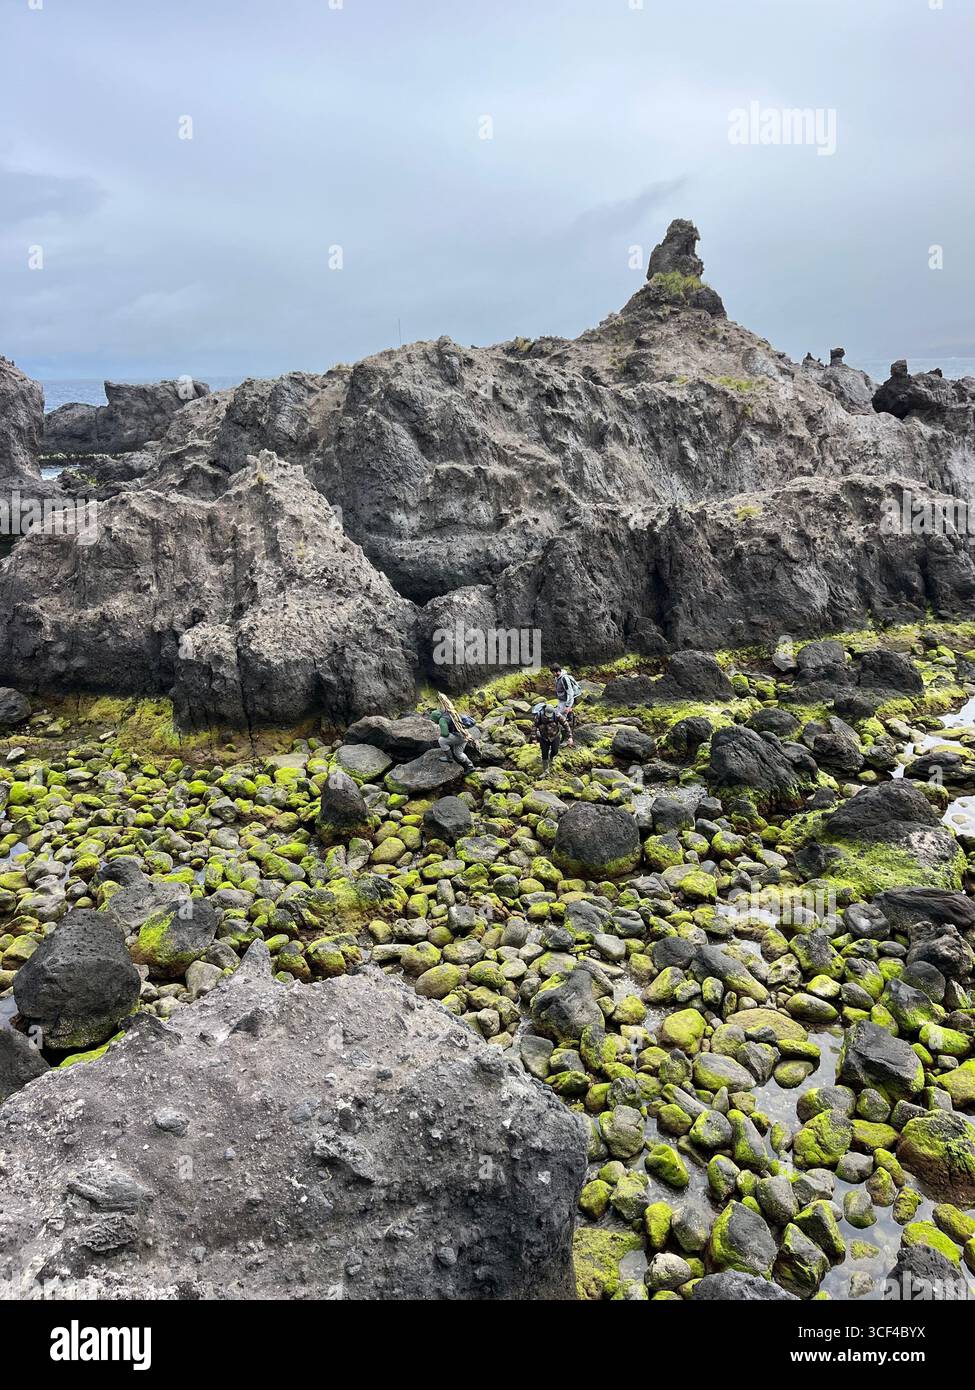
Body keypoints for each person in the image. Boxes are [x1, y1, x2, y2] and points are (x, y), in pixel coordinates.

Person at [531, 702, 573, 775]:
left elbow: (566, 725)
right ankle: (545, 771)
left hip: (555, 736)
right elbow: (534, 726)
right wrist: (534, 738)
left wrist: (570, 737)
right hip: (543, 737)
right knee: (544, 753)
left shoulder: (557, 715)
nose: (549, 716)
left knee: (555, 751)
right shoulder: (539, 716)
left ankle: (551, 757)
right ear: (544, 711)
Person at [431, 706, 474, 772]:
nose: (433, 722)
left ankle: (449, 758)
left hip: (459, 736)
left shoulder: (442, 720)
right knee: (458, 753)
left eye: (433, 720)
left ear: (436, 718)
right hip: (466, 735)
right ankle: (470, 766)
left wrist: (441, 733)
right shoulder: (449, 713)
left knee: (441, 740)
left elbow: (445, 734)